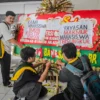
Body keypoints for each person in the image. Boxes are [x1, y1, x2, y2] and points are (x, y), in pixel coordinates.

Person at [0, 11, 23, 87]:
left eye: (13, 18)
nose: (12, 20)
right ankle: (6, 82)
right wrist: (18, 44)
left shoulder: (8, 25)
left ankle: (7, 77)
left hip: (6, 48)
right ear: (5, 17)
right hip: (3, 49)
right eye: (10, 18)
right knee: (5, 66)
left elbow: (11, 35)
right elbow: (9, 38)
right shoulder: (3, 25)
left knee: (7, 65)